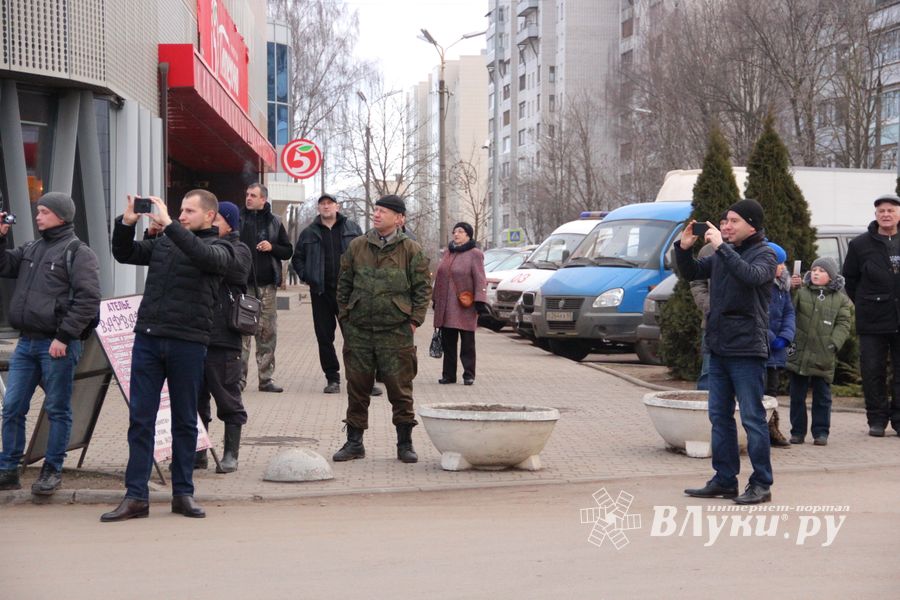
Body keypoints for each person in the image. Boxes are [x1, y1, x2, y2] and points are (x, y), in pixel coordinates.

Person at [101, 191, 234, 522]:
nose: (183, 214)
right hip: (148, 338)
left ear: (210, 217)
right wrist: (126, 223)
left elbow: (203, 257)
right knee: (140, 420)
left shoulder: (222, 249)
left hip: (188, 343)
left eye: (190, 211)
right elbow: (124, 252)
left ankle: (183, 494)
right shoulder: (166, 243)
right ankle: (136, 497)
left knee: (185, 420)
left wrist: (171, 225)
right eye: (181, 209)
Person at [675, 199, 777, 505]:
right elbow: (692, 271)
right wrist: (683, 249)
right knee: (719, 417)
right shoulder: (721, 255)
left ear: (752, 224)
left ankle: (761, 483)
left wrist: (721, 247)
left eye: (732, 221)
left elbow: (751, 276)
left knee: (752, 418)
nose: (725, 226)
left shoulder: (766, 254)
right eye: (723, 222)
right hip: (718, 347)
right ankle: (724, 479)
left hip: (746, 349)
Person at [0, 193, 100, 495]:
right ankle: (8, 469)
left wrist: (64, 337)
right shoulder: (33, 248)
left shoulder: (78, 253)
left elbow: (88, 300)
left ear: (61, 216)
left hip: (57, 345)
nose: (38, 216)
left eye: (44, 212)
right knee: (12, 406)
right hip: (27, 343)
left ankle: (51, 470)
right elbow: (4, 266)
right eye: (38, 211)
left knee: (57, 408)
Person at [332, 194, 431, 464]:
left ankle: (404, 443)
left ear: (399, 219)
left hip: (396, 332)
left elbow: (423, 290)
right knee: (357, 389)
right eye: (375, 210)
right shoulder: (357, 247)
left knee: (400, 390)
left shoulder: (411, 250)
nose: (376, 215)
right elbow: (343, 286)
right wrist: (347, 319)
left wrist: (413, 322)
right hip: (360, 331)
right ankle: (354, 443)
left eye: (384, 211)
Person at [196, 202, 251, 473]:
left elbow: (237, 271)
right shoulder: (197, 245)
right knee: (194, 398)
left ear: (229, 222)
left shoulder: (239, 249)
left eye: (215, 217)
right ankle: (198, 451)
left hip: (223, 337)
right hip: (194, 335)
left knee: (227, 395)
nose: (210, 221)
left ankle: (231, 453)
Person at [292, 193, 363, 394]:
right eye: (322, 204)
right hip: (321, 293)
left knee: (355, 337)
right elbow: (298, 259)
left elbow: (366, 255)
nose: (326, 207)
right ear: (318, 209)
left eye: (329, 203)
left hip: (348, 293)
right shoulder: (309, 232)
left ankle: (360, 379)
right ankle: (332, 378)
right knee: (324, 337)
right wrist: (307, 276)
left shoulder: (352, 229)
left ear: (337, 207)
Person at [842, 194, 900, 437]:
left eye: (891, 210)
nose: (886, 214)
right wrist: (869, 302)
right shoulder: (860, 245)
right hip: (873, 319)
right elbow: (851, 280)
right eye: (881, 211)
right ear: (876, 215)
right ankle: (876, 419)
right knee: (872, 370)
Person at [787, 257, 852, 446]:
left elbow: (844, 323)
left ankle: (821, 432)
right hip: (799, 352)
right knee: (797, 396)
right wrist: (792, 287)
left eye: (822, 271)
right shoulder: (801, 292)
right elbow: (789, 308)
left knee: (822, 397)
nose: (816, 273)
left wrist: (834, 344)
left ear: (831, 276)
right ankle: (797, 432)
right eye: (814, 269)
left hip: (824, 354)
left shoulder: (840, 299)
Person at [239, 183, 293, 393]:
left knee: (267, 333)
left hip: (267, 287)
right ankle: (238, 379)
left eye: (253, 195)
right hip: (243, 286)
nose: (249, 198)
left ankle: (265, 378)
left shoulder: (274, 222)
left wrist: (272, 248)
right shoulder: (238, 220)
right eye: (247, 194)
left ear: (264, 200)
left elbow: (287, 251)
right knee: (242, 333)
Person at [432, 222, 488, 385]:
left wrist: (480, 301)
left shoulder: (475, 253)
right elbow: (439, 277)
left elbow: (480, 278)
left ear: (468, 235)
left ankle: (468, 374)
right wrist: (435, 299)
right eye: (455, 231)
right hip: (447, 305)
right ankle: (449, 375)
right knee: (448, 341)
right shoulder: (448, 253)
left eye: (461, 231)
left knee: (467, 342)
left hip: (466, 305)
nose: (456, 234)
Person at [764, 242, 794, 448]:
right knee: (758, 392)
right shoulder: (758, 286)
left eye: (783, 264)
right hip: (760, 348)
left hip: (776, 352)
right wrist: (770, 337)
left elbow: (789, 312)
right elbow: (755, 316)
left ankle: (772, 427)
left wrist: (785, 336)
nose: (782, 268)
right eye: (777, 263)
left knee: (772, 392)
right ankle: (760, 429)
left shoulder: (783, 287)